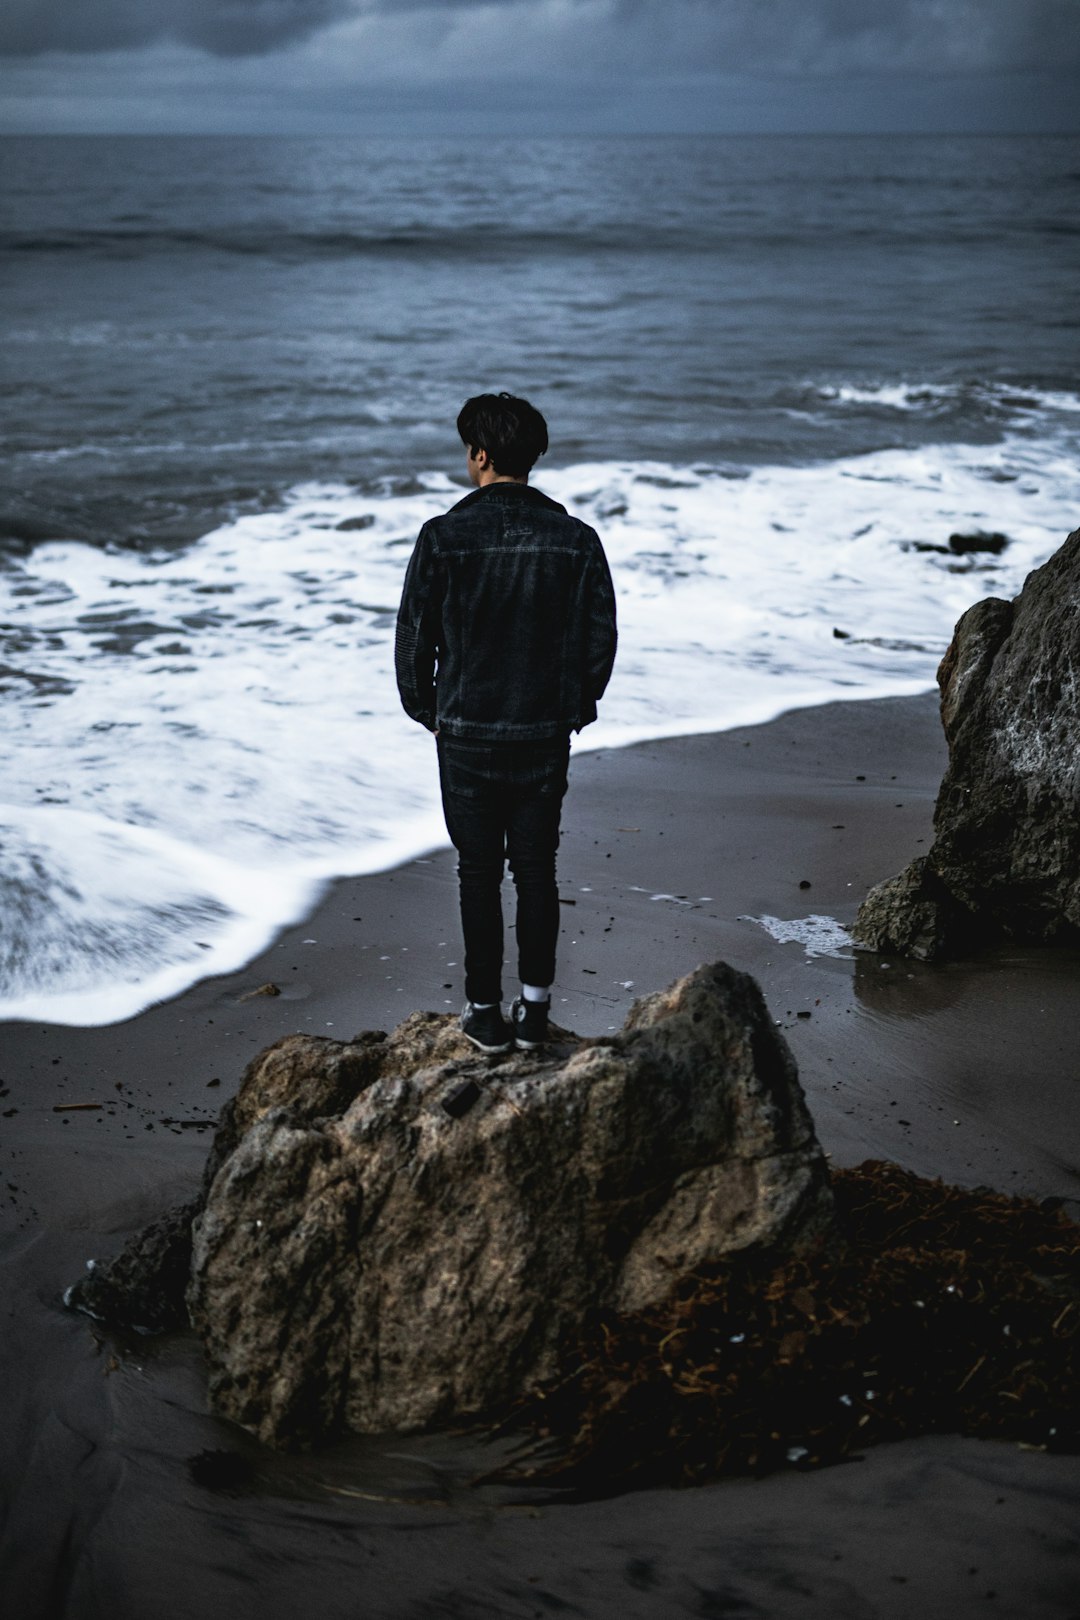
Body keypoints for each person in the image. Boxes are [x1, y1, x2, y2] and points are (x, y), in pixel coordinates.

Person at [395, 391, 617, 1053]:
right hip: (543, 731)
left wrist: (429, 710)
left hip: (466, 731)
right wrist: (575, 710)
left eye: (469, 451)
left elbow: (414, 639)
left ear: (481, 456)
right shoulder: (576, 539)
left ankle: (484, 1013)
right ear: (532, 457)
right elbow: (598, 641)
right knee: (537, 870)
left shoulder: (442, 536)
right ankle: (536, 1011)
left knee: (477, 873)